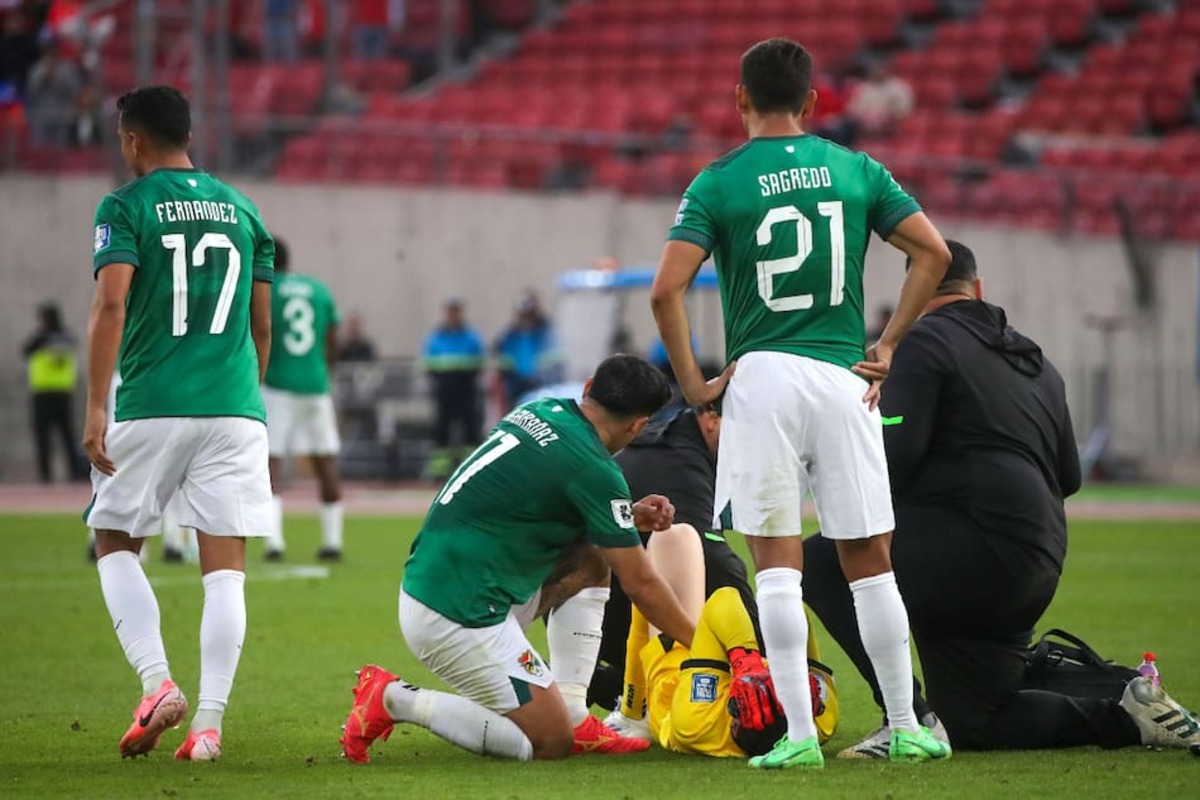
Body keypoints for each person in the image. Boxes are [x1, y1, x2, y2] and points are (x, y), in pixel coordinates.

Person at [651, 38, 953, 769]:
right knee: (871, 561)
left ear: (739, 99)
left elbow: (666, 290)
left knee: (777, 566)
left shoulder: (718, 182)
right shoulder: (856, 169)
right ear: (813, 102)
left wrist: (694, 385)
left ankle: (797, 736)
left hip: (763, 380)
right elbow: (935, 255)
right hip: (844, 378)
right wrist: (886, 346)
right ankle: (908, 724)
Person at [803, 240, 1200, 756]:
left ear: (914, 291)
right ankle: (1129, 702)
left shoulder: (920, 343)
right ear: (979, 288)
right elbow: (1070, 476)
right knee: (978, 720)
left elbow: (894, 461)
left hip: (971, 547)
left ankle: (907, 720)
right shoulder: (1036, 360)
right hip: (1039, 557)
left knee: (822, 557)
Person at [339, 355, 698, 762]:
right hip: (459, 616)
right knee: (549, 741)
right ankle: (391, 698)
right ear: (638, 425)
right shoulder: (595, 469)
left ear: (587, 387)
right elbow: (642, 584)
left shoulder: (540, 411)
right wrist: (704, 646)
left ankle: (576, 715)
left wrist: (625, 516)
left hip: (442, 583)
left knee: (593, 560)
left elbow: (533, 503)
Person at [83, 86, 275, 762]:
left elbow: (111, 309)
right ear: (187, 134)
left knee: (113, 540)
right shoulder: (244, 208)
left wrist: (95, 404)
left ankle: (157, 683)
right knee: (225, 571)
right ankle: (210, 728)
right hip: (235, 408)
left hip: (152, 402)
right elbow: (260, 325)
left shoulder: (125, 206)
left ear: (132, 138)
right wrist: (242, 396)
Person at [591, 402, 757, 723]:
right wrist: (755, 658)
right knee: (680, 545)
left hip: (603, 618)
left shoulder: (672, 443)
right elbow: (720, 567)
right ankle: (615, 694)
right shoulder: (679, 460)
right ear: (711, 419)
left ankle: (604, 689)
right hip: (617, 617)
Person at [618, 524, 838, 758]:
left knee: (673, 540)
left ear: (733, 722)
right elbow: (799, 615)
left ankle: (634, 715)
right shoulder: (820, 722)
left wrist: (746, 664)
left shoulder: (699, 724)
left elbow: (723, 599)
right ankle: (631, 716)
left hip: (680, 685)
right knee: (782, 612)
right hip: (739, 669)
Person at [261, 236, 344, 562]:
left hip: (279, 384)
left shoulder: (267, 289)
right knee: (326, 464)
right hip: (316, 385)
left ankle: (275, 543)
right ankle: (333, 543)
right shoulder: (318, 288)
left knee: (270, 466)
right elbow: (332, 336)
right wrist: (324, 371)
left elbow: (260, 330)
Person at [420, 297, 485, 481]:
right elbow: (429, 362)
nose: (453, 315)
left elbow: (478, 360)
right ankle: (440, 473)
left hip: (466, 390)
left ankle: (472, 470)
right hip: (444, 391)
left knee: (470, 431)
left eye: (456, 311)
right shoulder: (436, 337)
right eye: (450, 311)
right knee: (441, 432)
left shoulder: (471, 336)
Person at [22, 301, 87, 483]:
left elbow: (26, 350)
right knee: (67, 434)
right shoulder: (67, 337)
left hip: (43, 391)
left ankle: (45, 475)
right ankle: (74, 472)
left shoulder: (40, 339)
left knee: (43, 436)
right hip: (63, 391)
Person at [495, 291, 558, 408]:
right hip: (515, 383)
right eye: (522, 314)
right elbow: (500, 354)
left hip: (540, 384)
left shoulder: (545, 332)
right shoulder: (510, 334)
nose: (525, 317)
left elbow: (554, 354)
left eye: (528, 313)